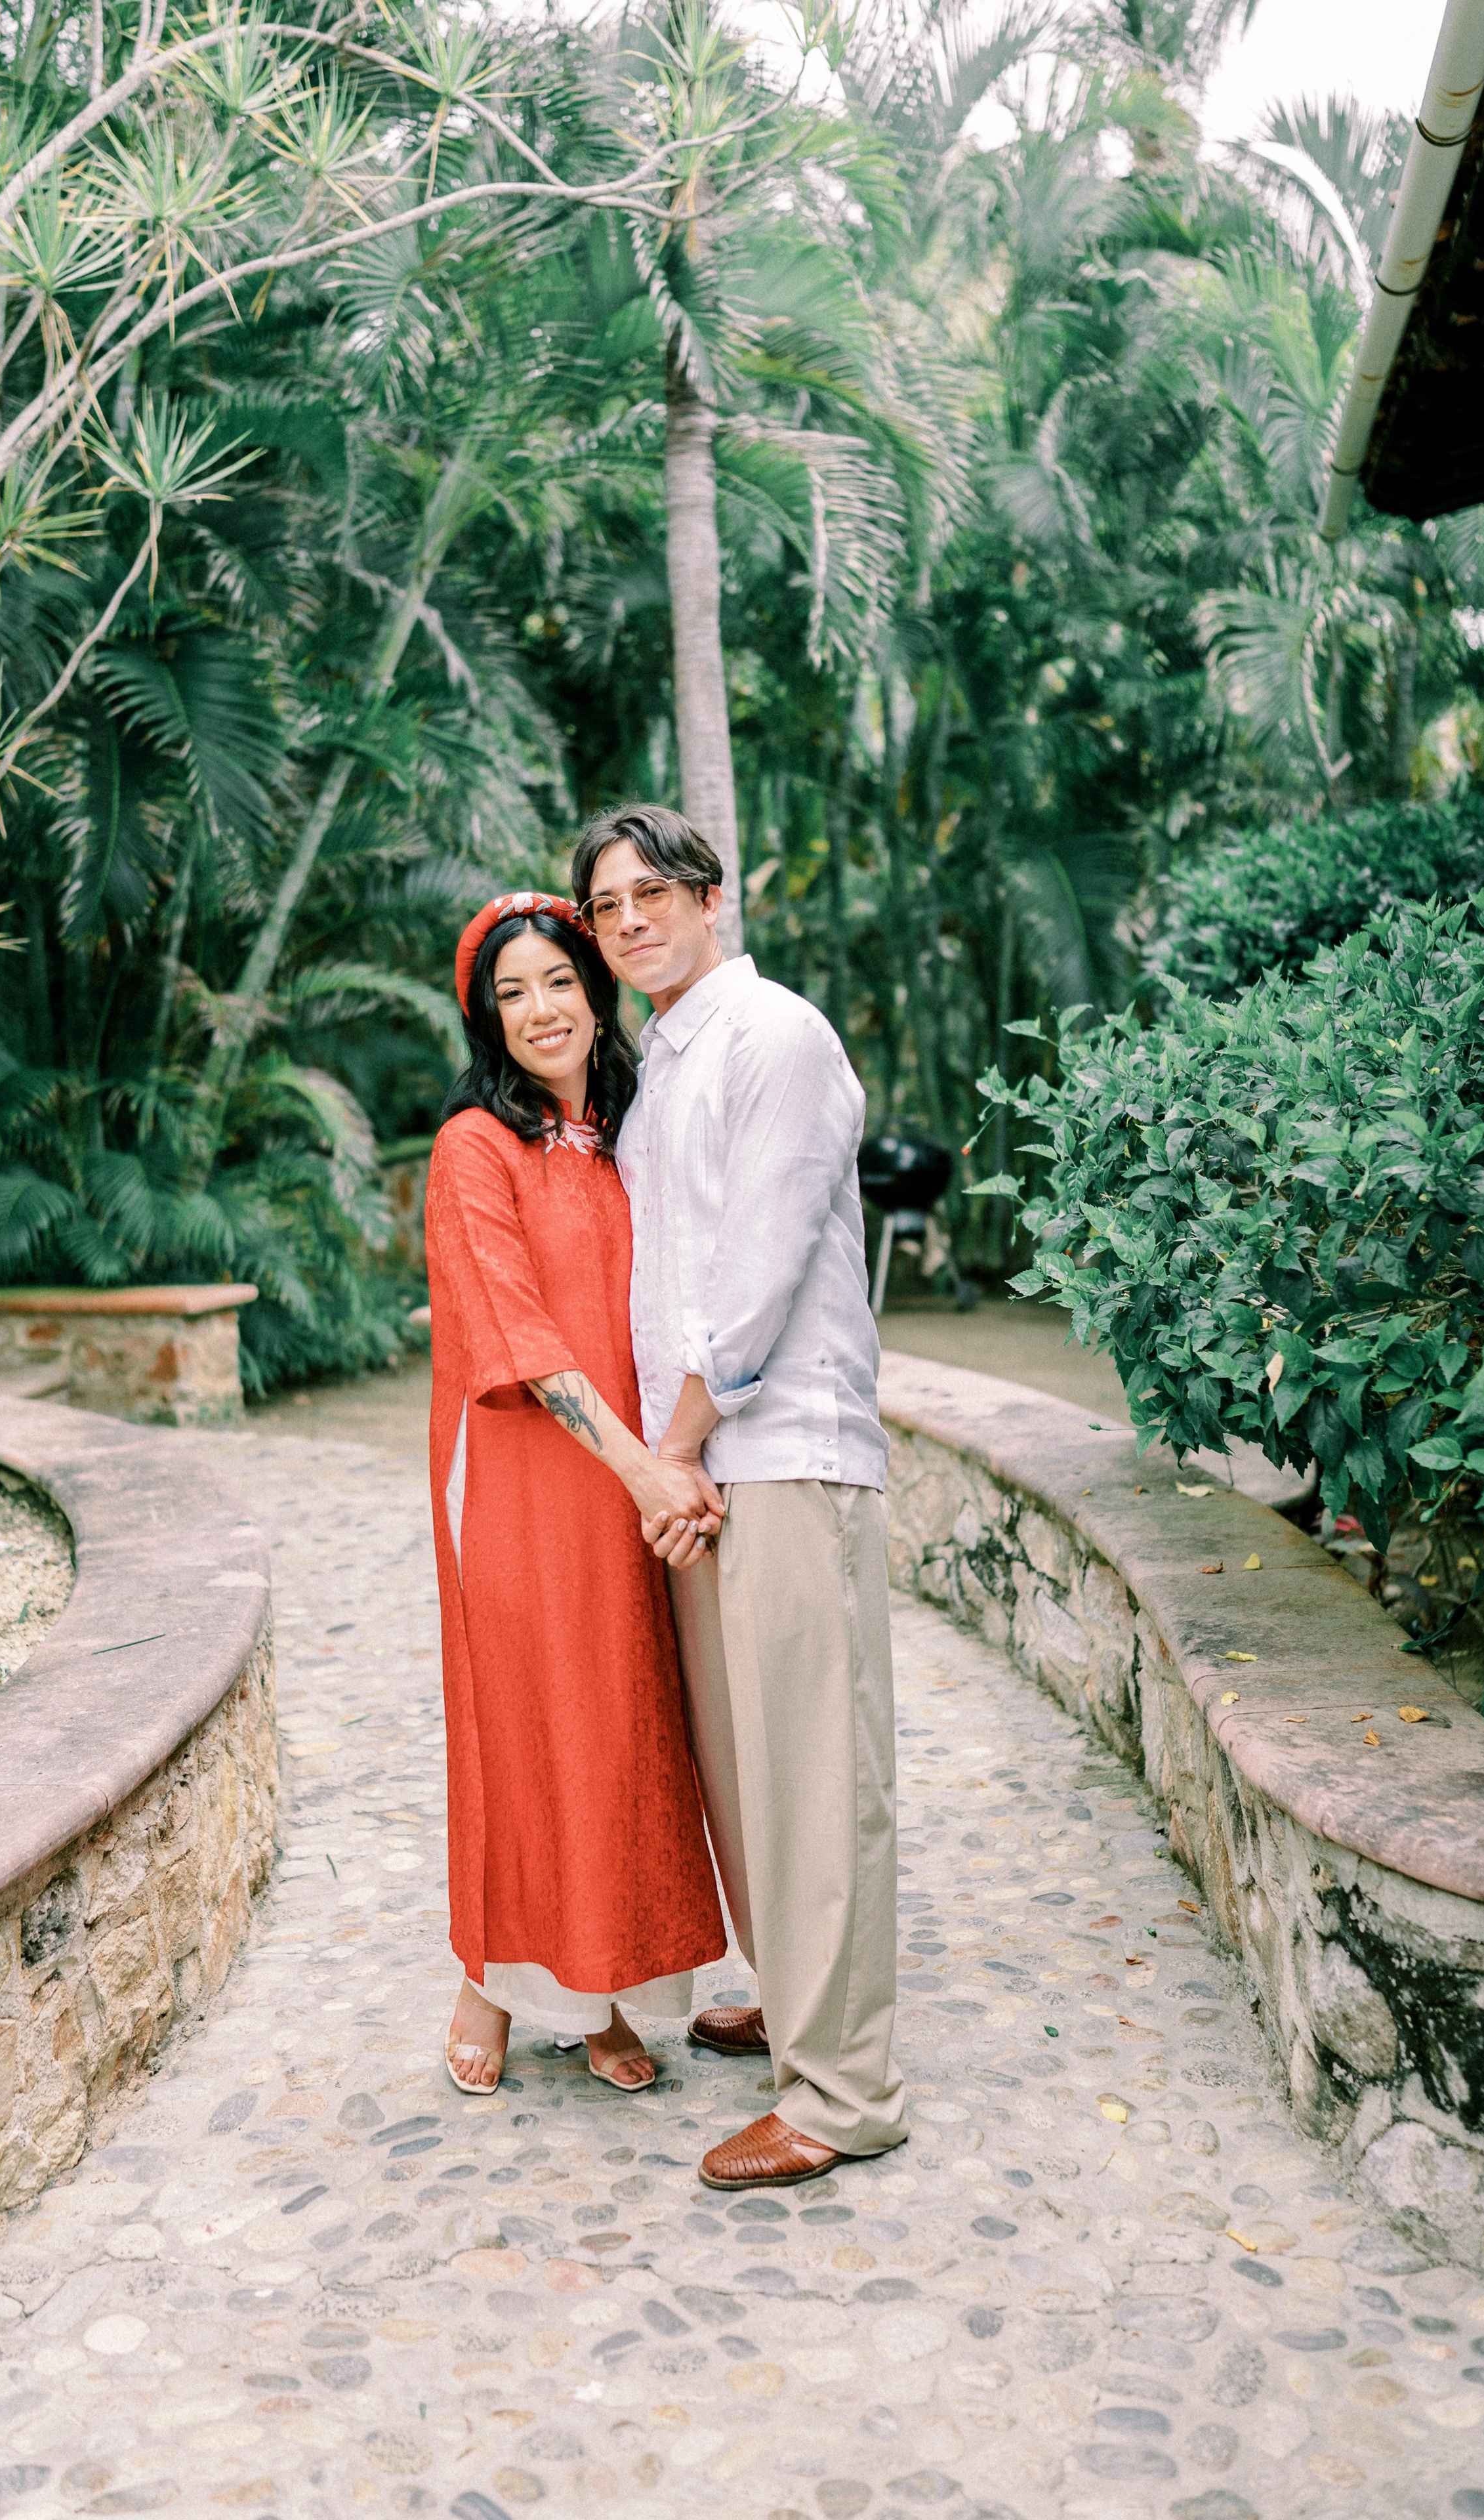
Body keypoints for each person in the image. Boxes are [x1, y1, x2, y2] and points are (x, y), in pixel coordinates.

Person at [570, 808, 909, 2191]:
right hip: (705, 1465)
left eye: (652, 892)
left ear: (712, 897)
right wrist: (671, 1461)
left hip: (782, 1456)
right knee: (746, 1773)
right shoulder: (663, 1064)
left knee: (816, 1778)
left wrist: (677, 1451)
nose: (629, 921)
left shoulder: (776, 1037)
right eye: (606, 907)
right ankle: (792, 1998)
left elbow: (755, 1280)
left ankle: (844, 2093)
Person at [424, 889, 726, 2095]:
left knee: (618, 1716)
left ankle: (600, 1988)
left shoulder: (631, 1133)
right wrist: (647, 1469)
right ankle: (491, 1978)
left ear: (597, 993)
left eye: (559, 980)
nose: (540, 1008)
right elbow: (518, 1333)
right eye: (512, 993)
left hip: (633, 1473)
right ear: (488, 1021)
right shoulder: (473, 1146)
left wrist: (671, 1457)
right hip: (520, 1474)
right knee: (524, 1721)